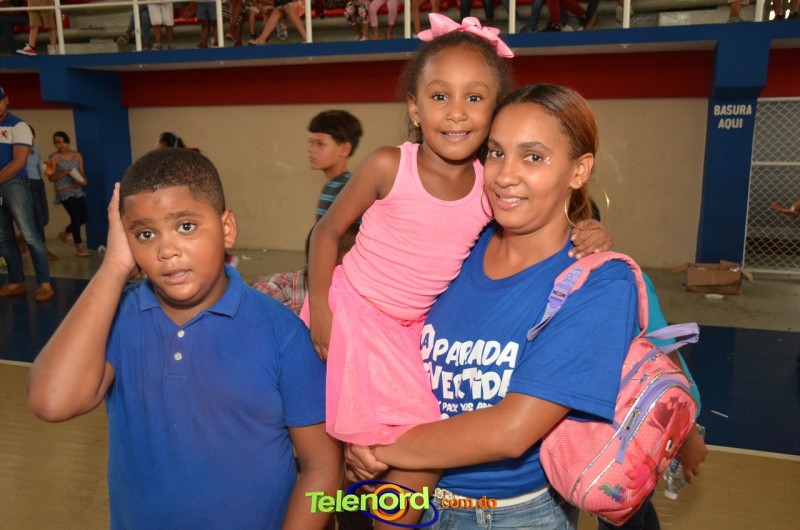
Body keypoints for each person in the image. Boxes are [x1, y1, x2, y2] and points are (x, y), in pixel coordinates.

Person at [345, 83, 706, 528]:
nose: (504, 175)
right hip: (415, 495)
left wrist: (380, 449)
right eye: (496, 153)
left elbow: (511, 431)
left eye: (533, 157)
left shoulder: (601, 284)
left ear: (579, 170)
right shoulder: (459, 244)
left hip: (513, 515)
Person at [305, 19, 611, 526]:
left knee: (398, 457)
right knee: (368, 461)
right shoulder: (388, 166)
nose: (456, 112)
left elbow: (544, 214)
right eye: (440, 96)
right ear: (414, 107)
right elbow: (325, 233)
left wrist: (590, 228)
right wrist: (321, 308)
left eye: (474, 98)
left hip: (407, 331)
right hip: (357, 314)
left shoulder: (489, 187)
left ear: (494, 111)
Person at [27, 148, 341, 529]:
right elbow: (51, 401)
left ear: (227, 228)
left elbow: (323, 467)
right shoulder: (118, 318)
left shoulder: (282, 333)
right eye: (145, 234)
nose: (167, 250)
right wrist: (113, 267)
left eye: (186, 227)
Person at [0, 86, 54, 302]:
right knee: (4, 237)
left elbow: (19, 162)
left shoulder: (18, 125)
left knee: (30, 234)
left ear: (6, 100)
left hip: (15, 185)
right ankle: (16, 282)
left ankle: (45, 283)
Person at [308, 110, 363, 221]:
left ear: (344, 149)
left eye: (320, 144)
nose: (311, 149)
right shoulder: (332, 186)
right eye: (311, 142)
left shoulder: (347, 190)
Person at [46, 131, 91, 258]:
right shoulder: (52, 157)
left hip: (76, 188)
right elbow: (50, 177)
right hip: (63, 190)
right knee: (75, 216)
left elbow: (82, 172)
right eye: (57, 143)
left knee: (84, 217)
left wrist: (83, 180)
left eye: (63, 142)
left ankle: (65, 233)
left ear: (68, 142)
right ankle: (79, 247)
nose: (61, 145)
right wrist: (65, 173)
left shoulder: (77, 155)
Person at [25, 126, 57, 261]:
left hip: (39, 183)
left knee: (44, 218)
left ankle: (21, 238)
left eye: (30, 134)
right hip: (27, 183)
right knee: (38, 217)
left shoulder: (36, 151)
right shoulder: (19, 151)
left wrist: (48, 168)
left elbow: (39, 167)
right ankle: (43, 249)